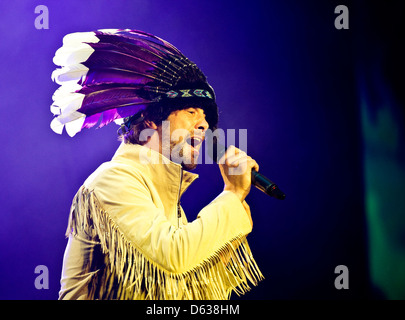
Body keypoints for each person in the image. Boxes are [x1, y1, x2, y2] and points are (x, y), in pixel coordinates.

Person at [51, 29, 263, 300]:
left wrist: (235, 212)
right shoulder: (114, 180)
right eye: (191, 111)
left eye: (206, 116)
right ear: (152, 118)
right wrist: (231, 196)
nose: (205, 124)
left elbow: (189, 294)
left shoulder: (165, 202)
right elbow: (173, 258)